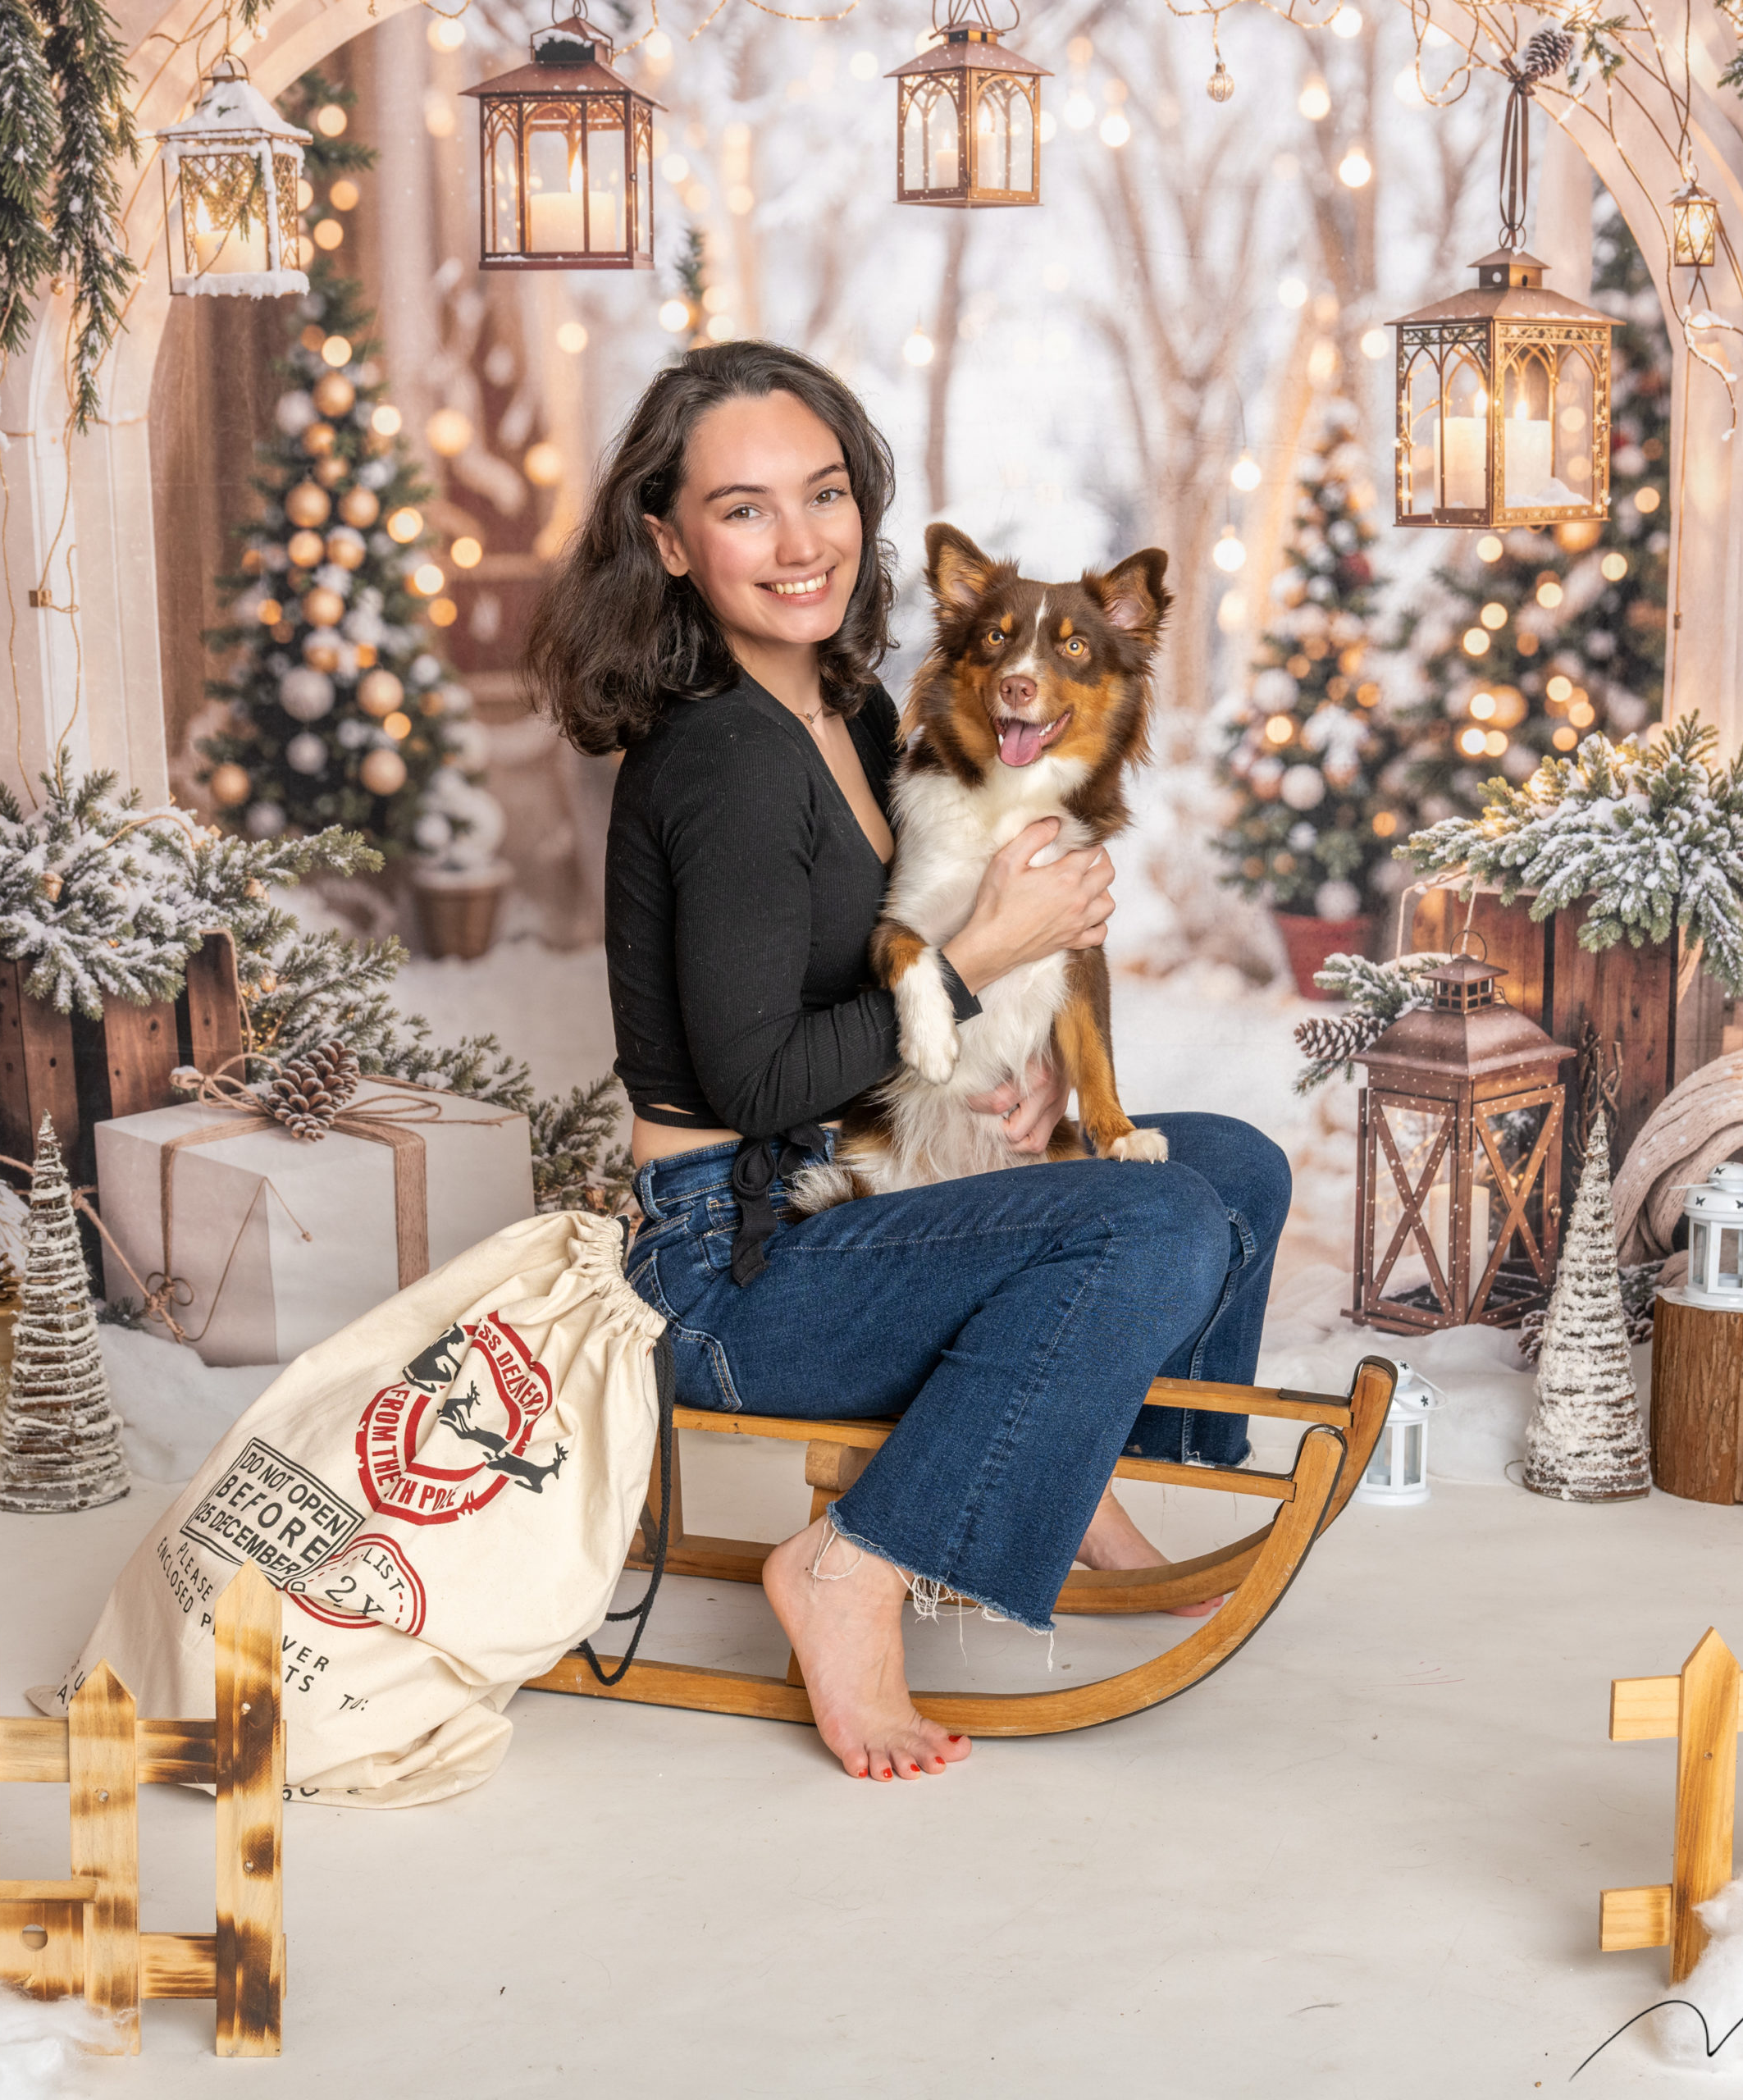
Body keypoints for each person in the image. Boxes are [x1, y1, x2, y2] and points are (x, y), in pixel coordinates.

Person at [526, 340, 1290, 1783]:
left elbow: (917, 970)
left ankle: (1063, 1487)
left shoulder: (853, 710)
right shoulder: (727, 761)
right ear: (668, 541)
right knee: (1159, 1219)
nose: (801, 540)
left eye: (824, 494)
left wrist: (1030, 1067)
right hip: (737, 1269)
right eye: (744, 508)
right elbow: (755, 1086)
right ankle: (852, 1567)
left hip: (874, 1176)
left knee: (1229, 1167)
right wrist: (985, 955)